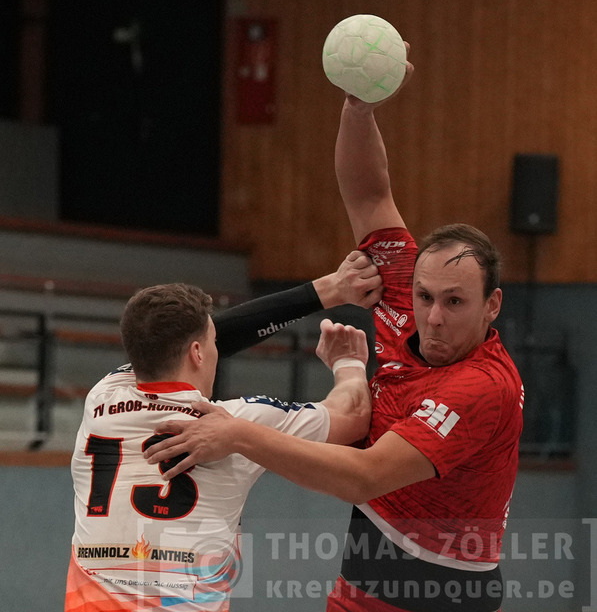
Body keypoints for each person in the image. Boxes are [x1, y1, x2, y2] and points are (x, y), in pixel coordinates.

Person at [145, 45, 524, 612]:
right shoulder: (403, 295)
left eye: (455, 302)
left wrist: (237, 434)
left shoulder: (482, 387)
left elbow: (365, 476)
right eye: (425, 297)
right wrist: (358, 107)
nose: (433, 316)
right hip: (360, 585)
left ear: (492, 305)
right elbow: (370, 194)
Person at [64, 252, 380, 612]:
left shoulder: (102, 399)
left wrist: (328, 290)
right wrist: (348, 362)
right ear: (198, 352)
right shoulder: (237, 423)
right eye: (212, 342)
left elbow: (170, 343)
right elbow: (353, 414)